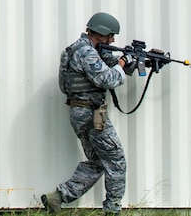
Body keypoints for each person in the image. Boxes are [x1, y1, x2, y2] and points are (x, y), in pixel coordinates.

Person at [41, 12, 137, 215]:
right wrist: (121, 64)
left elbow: (107, 64)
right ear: (100, 34)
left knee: (97, 161)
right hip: (92, 113)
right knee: (116, 160)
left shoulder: (80, 49)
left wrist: (130, 61)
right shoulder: (86, 52)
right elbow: (108, 79)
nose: (112, 40)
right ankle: (112, 210)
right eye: (110, 35)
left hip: (82, 111)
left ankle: (58, 197)